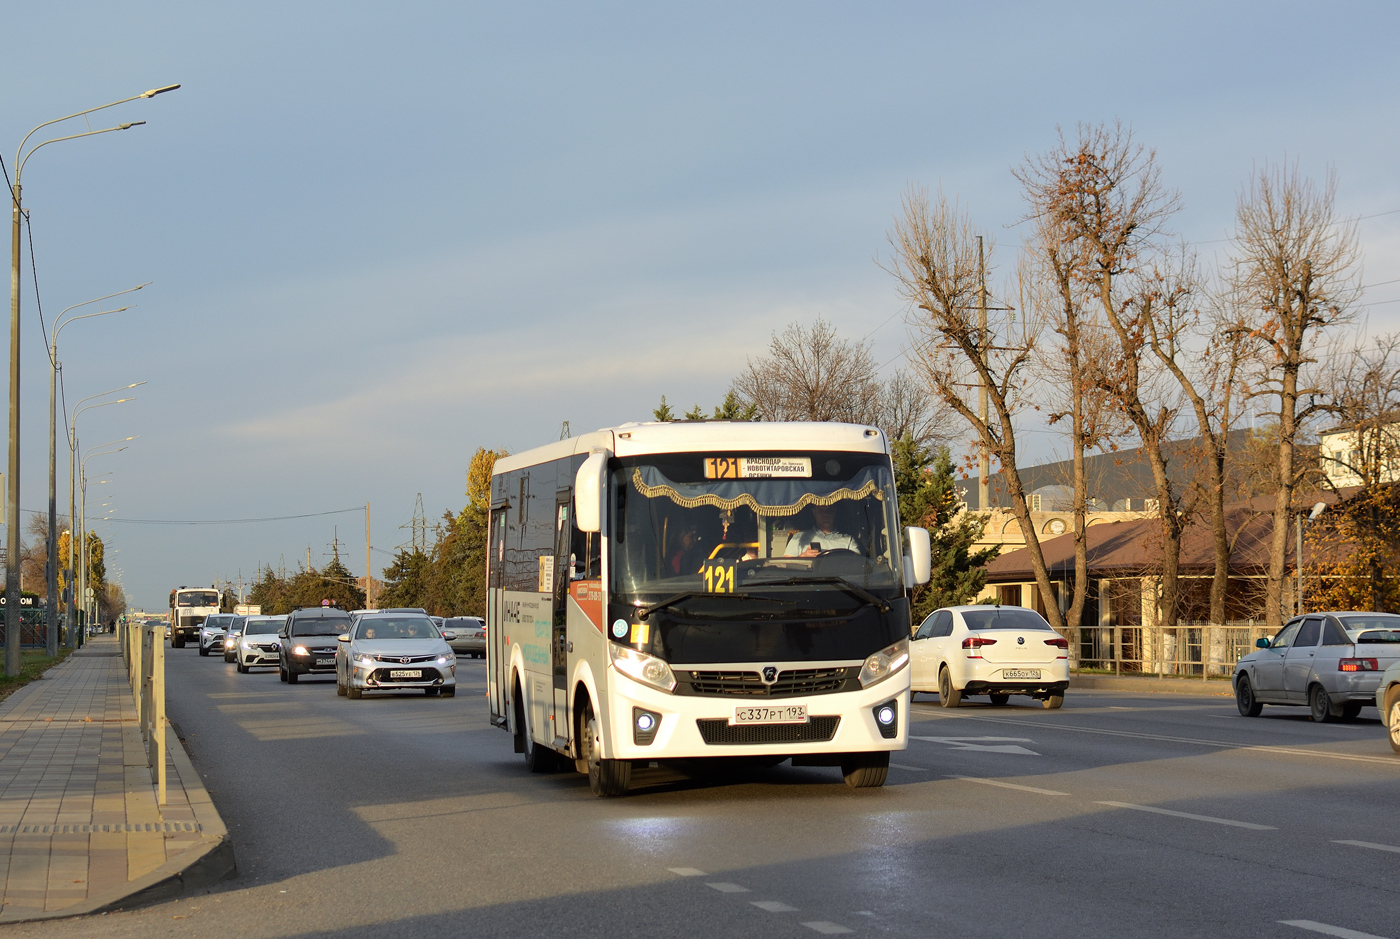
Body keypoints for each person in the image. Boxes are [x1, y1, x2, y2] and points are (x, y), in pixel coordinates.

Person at [784, 503, 859, 557]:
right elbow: (786, 564)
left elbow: (857, 564)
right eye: (821, 510)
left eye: (830, 510)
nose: (826, 514)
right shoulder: (799, 538)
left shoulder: (848, 540)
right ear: (814, 512)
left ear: (835, 512)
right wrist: (804, 556)